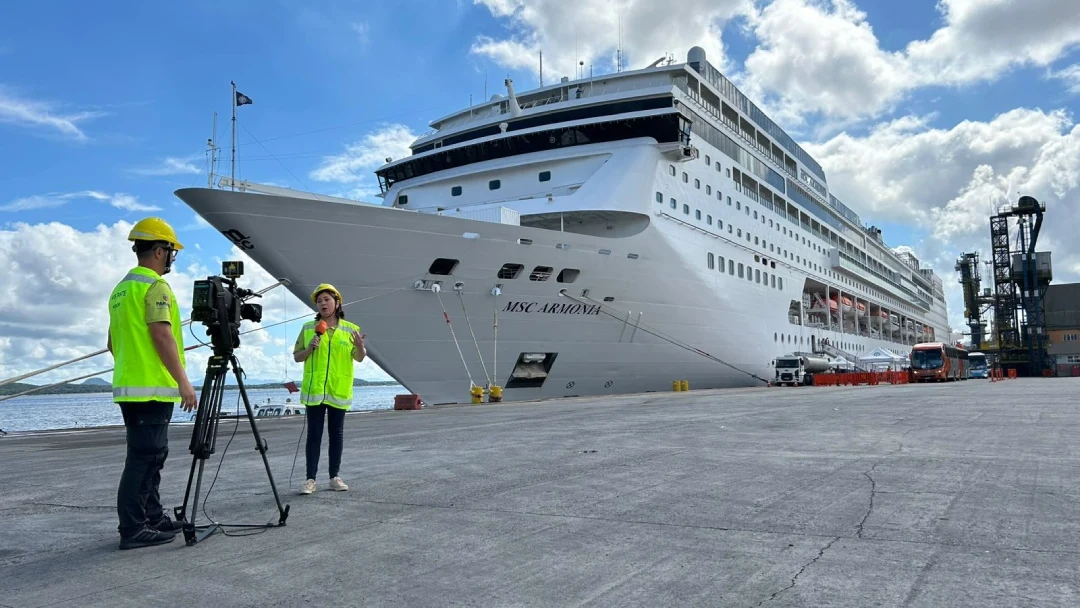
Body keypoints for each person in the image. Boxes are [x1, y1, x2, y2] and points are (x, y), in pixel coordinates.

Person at [107, 217, 197, 550]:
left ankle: (153, 516)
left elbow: (112, 343)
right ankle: (132, 528)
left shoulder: (120, 290)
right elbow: (161, 335)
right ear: (160, 251)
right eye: (171, 252)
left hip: (130, 386)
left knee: (151, 455)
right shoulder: (155, 286)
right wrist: (183, 382)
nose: (171, 258)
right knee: (145, 458)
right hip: (152, 387)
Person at [293, 283, 366, 495]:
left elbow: (359, 358)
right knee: (314, 435)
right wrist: (309, 348)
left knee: (336, 435)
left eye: (326, 299)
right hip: (315, 391)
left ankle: (334, 477)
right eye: (319, 301)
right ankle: (310, 480)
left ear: (337, 302)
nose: (322, 304)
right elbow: (297, 357)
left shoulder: (351, 329)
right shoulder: (308, 328)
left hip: (338, 390)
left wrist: (360, 346)